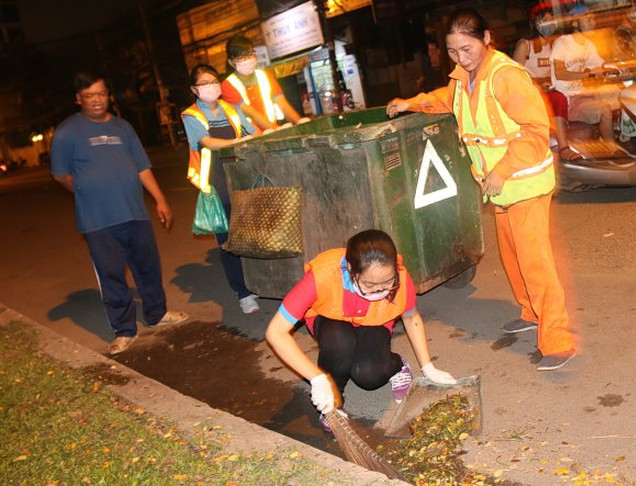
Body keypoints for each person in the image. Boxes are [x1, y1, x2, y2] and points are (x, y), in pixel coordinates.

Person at [386, 9, 576, 370]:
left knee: (535, 263)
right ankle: (531, 313)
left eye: (467, 49)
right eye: (453, 51)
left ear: (487, 39)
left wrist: (503, 171)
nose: (460, 58)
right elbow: (447, 99)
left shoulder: (506, 77)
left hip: (524, 183)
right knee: (512, 257)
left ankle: (558, 341)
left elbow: (537, 131)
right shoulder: (463, 78)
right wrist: (411, 103)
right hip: (501, 189)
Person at [51, 72, 189, 355]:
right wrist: (91, 189)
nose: (97, 100)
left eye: (101, 93)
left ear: (108, 96)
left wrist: (160, 200)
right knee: (111, 275)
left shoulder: (123, 127)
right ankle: (124, 329)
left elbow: (142, 167)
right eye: (89, 95)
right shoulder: (67, 132)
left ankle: (157, 313)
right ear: (78, 100)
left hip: (135, 213)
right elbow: (62, 176)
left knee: (148, 267)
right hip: (98, 221)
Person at [265, 229, 456, 429]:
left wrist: (428, 367)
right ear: (350, 269)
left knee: (368, 375)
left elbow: (411, 318)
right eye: (370, 284)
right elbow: (275, 332)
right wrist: (317, 379)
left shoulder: (401, 277)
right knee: (340, 344)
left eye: (387, 282)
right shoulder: (323, 274)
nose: (380, 290)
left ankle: (397, 365)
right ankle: (333, 404)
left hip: (375, 321)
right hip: (330, 319)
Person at [181, 64, 261, 314]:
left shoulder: (231, 107)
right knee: (228, 241)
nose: (210, 86)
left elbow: (254, 130)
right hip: (217, 184)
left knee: (253, 235)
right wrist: (237, 142)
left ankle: (259, 281)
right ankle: (243, 292)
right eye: (203, 83)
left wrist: (256, 136)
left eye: (213, 81)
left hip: (241, 180)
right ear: (194, 89)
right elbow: (206, 142)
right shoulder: (191, 115)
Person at [549, 4, 622, 152]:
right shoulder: (563, 42)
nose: (593, 23)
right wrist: (588, 74)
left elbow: (601, 66)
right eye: (588, 20)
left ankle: (623, 134)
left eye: (593, 20)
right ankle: (612, 149)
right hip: (568, 98)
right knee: (604, 110)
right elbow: (560, 73)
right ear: (575, 23)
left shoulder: (588, 45)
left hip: (582, 93)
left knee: (620, 92)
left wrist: (620, 66)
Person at [514, 1, 581, 162]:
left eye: (551, 20)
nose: (547, 24)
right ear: (535, 23)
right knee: (557, 98)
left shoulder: (557, 44)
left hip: (554, 90)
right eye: (543, 20)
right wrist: (538, 84)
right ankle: (564, 147)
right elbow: (514, 75)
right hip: (532, 95)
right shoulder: (526, 45)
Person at [221, 34, 309, 131]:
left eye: (249, 54)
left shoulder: (265, 76)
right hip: (251, 137)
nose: (247, 59)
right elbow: (251, 113)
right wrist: (275, 130)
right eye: (241, 57)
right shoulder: (227, 85)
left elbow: (283, 104)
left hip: (273, 130)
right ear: (231, 62)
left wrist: (301, 124)